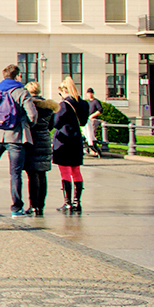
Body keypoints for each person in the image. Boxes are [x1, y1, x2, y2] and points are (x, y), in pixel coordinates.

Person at [0, 64, 37, 217]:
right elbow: (32, 115)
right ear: (17, 76)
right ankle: (16, 207)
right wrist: (25, 125)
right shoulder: (22, 92)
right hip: (16, 136)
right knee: (15, 172)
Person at [54, 78, 91, 214]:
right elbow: (83, 122)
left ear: (64, 90)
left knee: (65, 171)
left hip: (64, 140)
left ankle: (67, 202)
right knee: (76, 171)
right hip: (76, 140)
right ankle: (77, 202)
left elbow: (56, 122)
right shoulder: (84, 104)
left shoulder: (64, 105)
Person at [25, 81, 55, 218]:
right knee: (42, 174)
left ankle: (33, 205)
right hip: (45, 139)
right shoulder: (48, 106)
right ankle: (41, 206)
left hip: (32, 140)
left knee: (32, 175)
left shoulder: (28, 105)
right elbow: (52, 124)